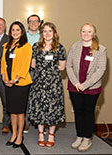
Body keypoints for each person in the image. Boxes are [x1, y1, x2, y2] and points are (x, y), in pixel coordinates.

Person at [66, 23, 107, 152]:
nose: (86, 34)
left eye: (89, 32)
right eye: (83, 31)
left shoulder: (101, 49)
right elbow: (68, 66)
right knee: (78, 111)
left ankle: (87, 138)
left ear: (93, 34)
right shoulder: (75, 46)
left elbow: (101, 70)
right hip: (75, 87)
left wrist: (85, 85)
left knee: (88, 112)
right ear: (80, 33)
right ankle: (79, 136)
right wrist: (76, 83)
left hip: (92, 88)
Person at [27, 22, 66, 148]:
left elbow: (62, 67)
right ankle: (40, 134)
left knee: (52, 109)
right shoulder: (35, 47)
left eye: (50, 31)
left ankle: (51, 134)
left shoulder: (59, 48)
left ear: (54, 33)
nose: (47, 34)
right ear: (41, 33)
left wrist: (49, 71)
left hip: (53, 84)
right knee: (40, 108)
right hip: (39, 83)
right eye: (45, 31)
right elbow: (33, 64)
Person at [1, 21, 32, 148]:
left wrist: (15, 79)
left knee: (19, 111)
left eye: (17, 30)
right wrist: (4, 78)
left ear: (22, 31)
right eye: (13, 30)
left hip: (21, 83)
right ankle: (13, 134)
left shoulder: (26, 46)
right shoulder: (6, 45)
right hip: (8, 82)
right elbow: (3, 63)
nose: (14, 32)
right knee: (12, 111)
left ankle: (20, 135)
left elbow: (25, 66)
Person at [24, 14, 42, 134]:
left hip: (42, 71)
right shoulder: (23, 36)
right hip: (26, 70)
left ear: (39, 23)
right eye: (31, 21)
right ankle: (26, 122)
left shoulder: (44, 35)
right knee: (25, 96)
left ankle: (40, 122)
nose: (33, 23)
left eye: (35, 21)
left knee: (40, 97)